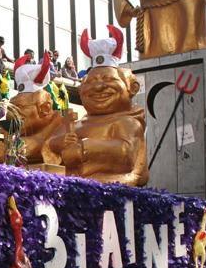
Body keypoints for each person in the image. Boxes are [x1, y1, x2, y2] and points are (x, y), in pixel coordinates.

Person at [48, 27, 149, 187]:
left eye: (108, 79)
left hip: (106, 190)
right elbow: (49, 147)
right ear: (81, 90)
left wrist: (83, 149)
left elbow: (126, 153)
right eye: (92, 82)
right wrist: (58, 143)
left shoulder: (128, 122)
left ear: (131, 87)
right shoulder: (76, 123)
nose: (99, 87)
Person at [0, 52, 63, 166]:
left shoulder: (62, 128)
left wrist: (38, 146)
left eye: (20, 108)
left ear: (45, 108)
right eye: (11, 109)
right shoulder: (13, 134)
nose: (12, 115)